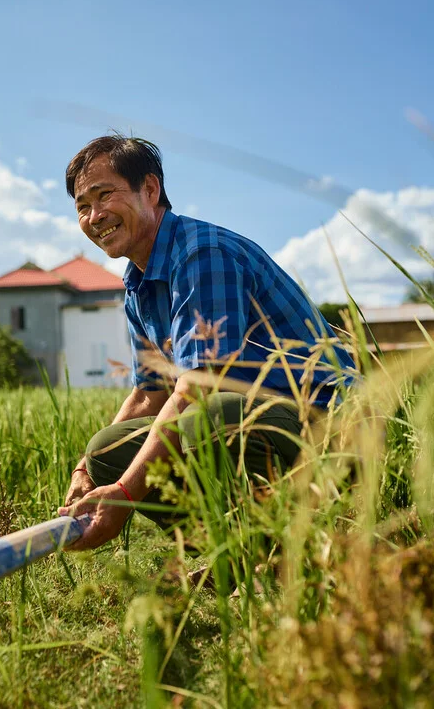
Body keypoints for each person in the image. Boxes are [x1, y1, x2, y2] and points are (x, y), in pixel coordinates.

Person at [58, 134, 357, 551]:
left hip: (332, 430)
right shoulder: (138, 283)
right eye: (82, 207)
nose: (95, 216)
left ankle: (285, 544)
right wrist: (86, 472)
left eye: (104, 195)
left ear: (150, 189)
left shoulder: (202, 254)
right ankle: (225, 553)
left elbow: (200, 385)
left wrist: (126, 493)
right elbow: (150, 392)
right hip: (259, 419)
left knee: (208, 415)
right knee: (106, 449)